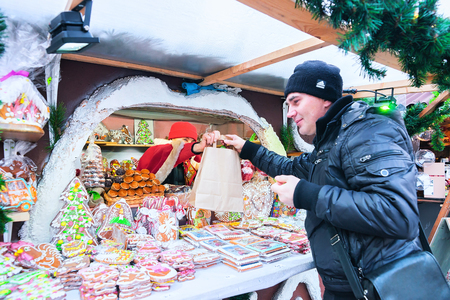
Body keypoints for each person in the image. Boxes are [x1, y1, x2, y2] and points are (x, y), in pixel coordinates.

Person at [224, 60, 420, 300]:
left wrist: (306, 195)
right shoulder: (331, 141)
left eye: (296, 101)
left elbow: (398, 214)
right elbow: (290, 167)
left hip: (378, 287)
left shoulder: (368, 131)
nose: (290, 113)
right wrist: (248, 149)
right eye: (287, 104)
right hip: (348, 286)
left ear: (325, 97)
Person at [137, 121, 219, 185]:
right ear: (173, 139)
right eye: (185, 140)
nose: (188, 144)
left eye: (192, 141)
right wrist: (197, 147)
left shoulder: (192, 160)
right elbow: (172, 151)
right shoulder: (158, 151)